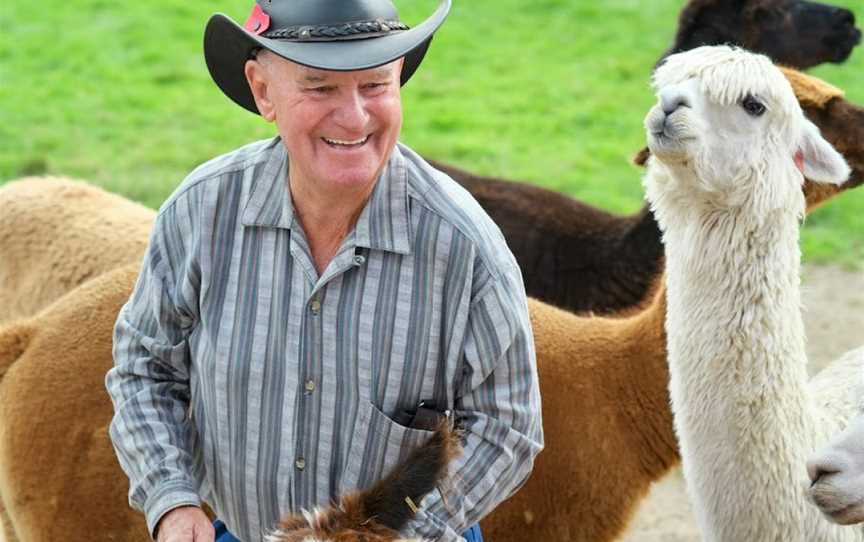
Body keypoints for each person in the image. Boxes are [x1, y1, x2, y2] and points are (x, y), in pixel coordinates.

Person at [106, 1, 543, 541]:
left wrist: (402, 534)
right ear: (263, 91)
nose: (355, 117)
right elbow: (145, 367)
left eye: (375, 85)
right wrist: (172, 498)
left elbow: (509, 426)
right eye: (321, 88)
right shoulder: (199, 213)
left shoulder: (467, 249)